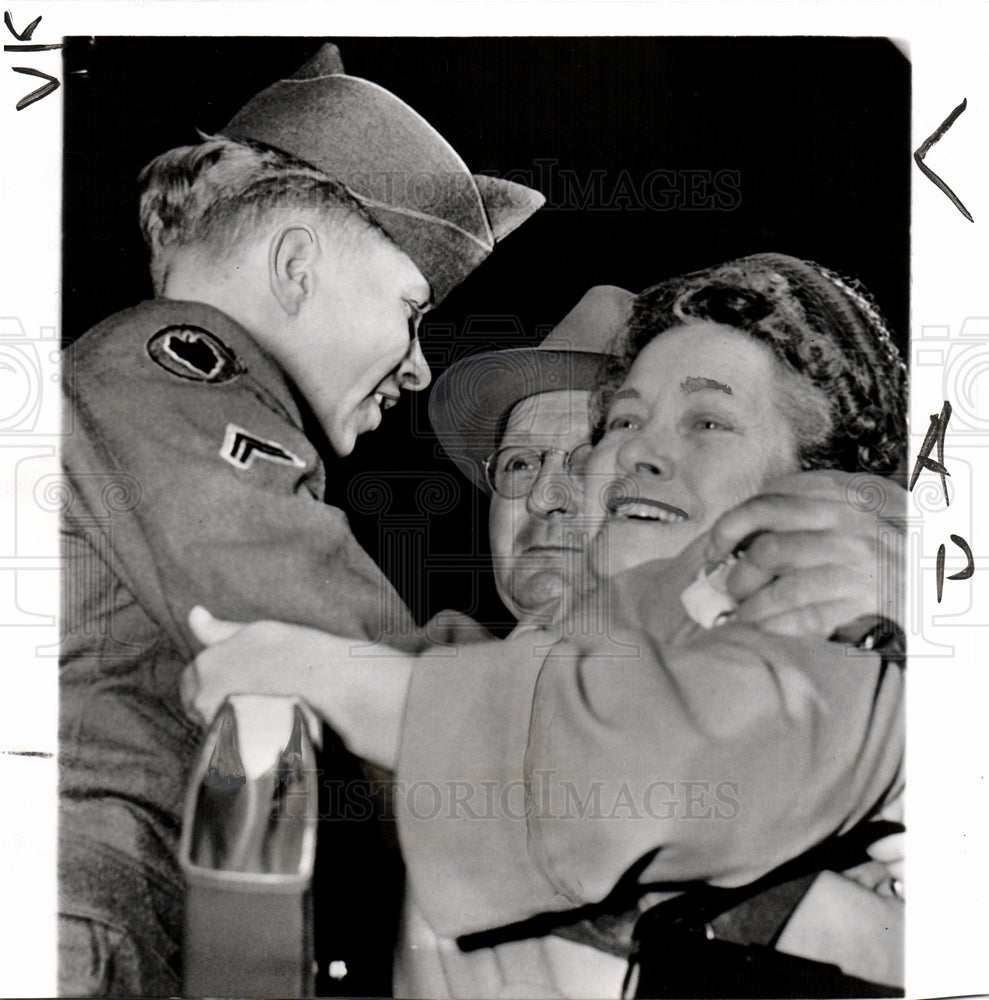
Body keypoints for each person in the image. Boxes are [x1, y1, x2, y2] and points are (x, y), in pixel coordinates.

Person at [186, 255, 907, 997]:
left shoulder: (841, 592)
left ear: (816, 481)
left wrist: (347, 685)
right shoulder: (526, 652)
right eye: (622, 420)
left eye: (710, 423)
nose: (635, 452)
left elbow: (641, 765)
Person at [59, 41, 543, 997]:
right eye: (411, 312)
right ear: (293, 265)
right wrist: (567, 714)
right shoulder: (172, 370)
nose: (417, 368)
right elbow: (325, 631)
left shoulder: (130, 387)